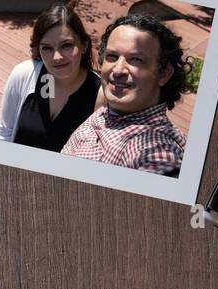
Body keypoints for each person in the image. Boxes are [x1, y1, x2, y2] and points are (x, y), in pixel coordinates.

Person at [61, 13, 189, 176]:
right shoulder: (109, 107)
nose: (118, 70)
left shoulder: (153, 147)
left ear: (163, 74)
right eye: (112, 57)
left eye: (135, 59)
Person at [0, 2, 102, 152]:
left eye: (66, 45)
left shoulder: (99, 94)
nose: (57, 57)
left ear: (84, 45)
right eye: (47, 48)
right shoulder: (24, 74)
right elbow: (4, 130)